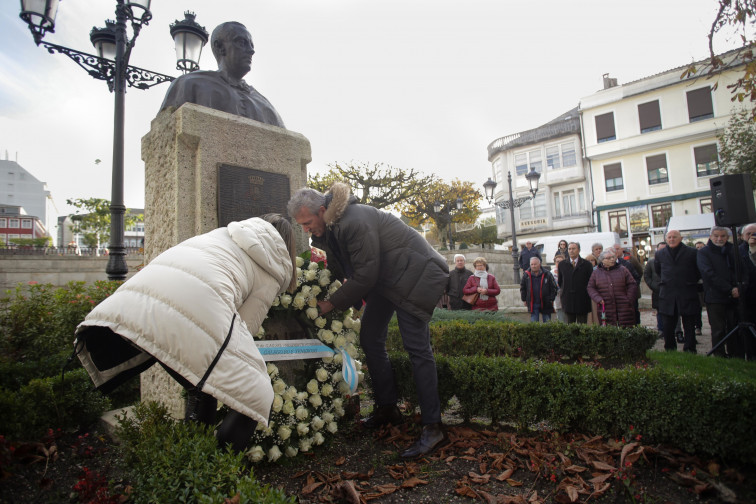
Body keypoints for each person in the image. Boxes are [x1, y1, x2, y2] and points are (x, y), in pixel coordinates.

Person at [74, 214, 297, 453]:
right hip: (189, 311)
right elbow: (244, 327)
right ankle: (219, 466)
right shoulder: (272, 266)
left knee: (200, 389)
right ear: (287, 245)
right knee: (258, 395)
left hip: (137, 304)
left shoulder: (224, 234)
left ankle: (195, 459)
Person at [287, 183, 448, 459]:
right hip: (389, 280)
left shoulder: (354, 221)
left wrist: (331, 303)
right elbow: (339, 269)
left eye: (307, 223)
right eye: (300, 225)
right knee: (370, 338)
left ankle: (434, 428)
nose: (304, 229)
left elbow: (365, 275)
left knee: (417, 349)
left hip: (417, 274)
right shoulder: (328, 229)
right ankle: (388, 409)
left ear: (323, 211)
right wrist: (315, 292)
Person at [160, 22, 285, 127]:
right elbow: (165, 129)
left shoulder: (266, 106)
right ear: (220, 46)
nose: (251, 51)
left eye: (251, 45)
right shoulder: (190, 84)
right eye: (241, 42)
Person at [697, 226, 748, 358]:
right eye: (716, 236)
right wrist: (729, 289)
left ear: (727, 237)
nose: (719, 239)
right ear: (711, 237)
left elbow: (743, 270)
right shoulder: (704, 252)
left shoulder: (733, 250)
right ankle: (719, 355)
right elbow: (709, 274)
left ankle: (735, 354)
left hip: (734, 296)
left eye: (723, 236)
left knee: (733, 327)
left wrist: (740, 288)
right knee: (718, 329)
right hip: (715, 296)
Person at [655, 229, 701, 352]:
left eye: (674, 237)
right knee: (668, 325)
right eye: (669, 237)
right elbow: (658, 270)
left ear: (680, 238)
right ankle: (670, 348)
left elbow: (698, 271)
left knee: (689, 324)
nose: (672, 239)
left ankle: (690, 348)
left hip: (687, 292)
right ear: (666, 239)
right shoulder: (660, 254)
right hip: (668, 294)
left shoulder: (692, 252)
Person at [587, 250, 639, 328]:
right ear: (602, 260)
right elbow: (591, 287)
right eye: (608, 258)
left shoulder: (623, 269)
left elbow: (632, 284)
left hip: (624, 307)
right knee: (609, 332)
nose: (612, 259)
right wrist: (598, 298)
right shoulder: (596, 273)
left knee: (626, 330)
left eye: (613, 257)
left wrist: (629, 298)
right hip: (606, 306)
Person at [557, 242, 593, 323]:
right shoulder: (562, 265)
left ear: (579, 250)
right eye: (569, 249)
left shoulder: (586, 264)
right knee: (569, 327)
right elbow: (560, 282)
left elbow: (590, 282)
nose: (571, 251)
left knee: (582, 326)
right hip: (568, 300)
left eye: (573, 249)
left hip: (582, 300)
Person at [520, 256, 558, 322]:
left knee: (547, 324)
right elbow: (523, 288)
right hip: (533, 302)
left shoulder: (547, 274)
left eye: (535, 264)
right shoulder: (526, 275)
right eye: (532, 264)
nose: (533, 266)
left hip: (546, 302)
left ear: (539, 264)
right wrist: (524, 299)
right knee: (534, 325)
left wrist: (551, 299)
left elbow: (554, 287)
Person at [739, 223, 756, 359]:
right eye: (749, 234)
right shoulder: (739, 251)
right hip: (748, 296)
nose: (752, 236)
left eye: (754, 233)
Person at [643, 242, 667, 334]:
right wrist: (653, 286)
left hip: (671, 291)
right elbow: (646, 275)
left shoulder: (671, 260)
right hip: (658, 291)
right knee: (660, 311)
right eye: (660, 249)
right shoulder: (651, 262)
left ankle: (676, 331)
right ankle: (661, 329)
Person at [584, 254, 598, 324]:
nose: (590, 262)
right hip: (586, 295)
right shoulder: (583, 270)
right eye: (588, 260)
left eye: (592, 260)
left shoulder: (598, 270)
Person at [552, 254, 566, 322]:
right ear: (555, 262)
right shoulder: (551, 273)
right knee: (560, 318)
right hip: (557, 298)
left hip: (566, 298)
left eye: (561, 261)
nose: (559, 263)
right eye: (558, 261)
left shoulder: (567, 271)